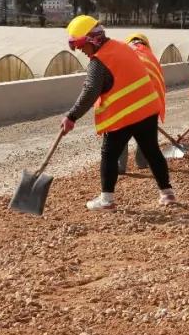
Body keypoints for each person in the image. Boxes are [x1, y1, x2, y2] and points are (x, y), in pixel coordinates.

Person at [62, 16, 175, 210]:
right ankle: (167, 193)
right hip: (147, 110)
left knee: (109, 154)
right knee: (152, 151)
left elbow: (90, 91)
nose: (80, 50)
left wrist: (71, 116)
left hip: (124, 115)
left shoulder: (99, 62)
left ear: (92, 40)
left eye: (81, 45)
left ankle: (106, 200)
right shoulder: (123, 47)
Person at [119, 32, 166, 171]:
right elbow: (158, 82)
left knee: (121, 133)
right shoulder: (150, 57)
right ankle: (142, 161)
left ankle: (120, 166)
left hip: (125, 100)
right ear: (145, 43)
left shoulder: (122, 54)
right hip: (147, 102)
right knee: (146, 133)